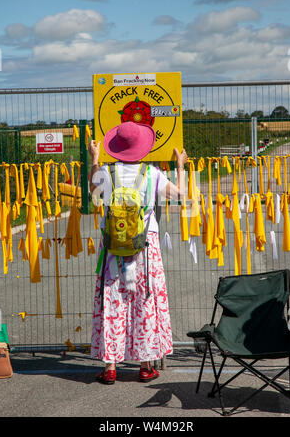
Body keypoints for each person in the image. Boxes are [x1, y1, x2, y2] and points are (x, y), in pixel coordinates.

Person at [88, 120, 187, 385]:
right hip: (145, 245)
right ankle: (145, 365)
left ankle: (110, 366)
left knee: (112, 300)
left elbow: (94, 194)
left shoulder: (107, 173)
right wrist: (180, 165)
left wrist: (95, 160)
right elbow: (180, 195)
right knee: (144, 297)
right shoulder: (152, 174)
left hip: (113, 246)